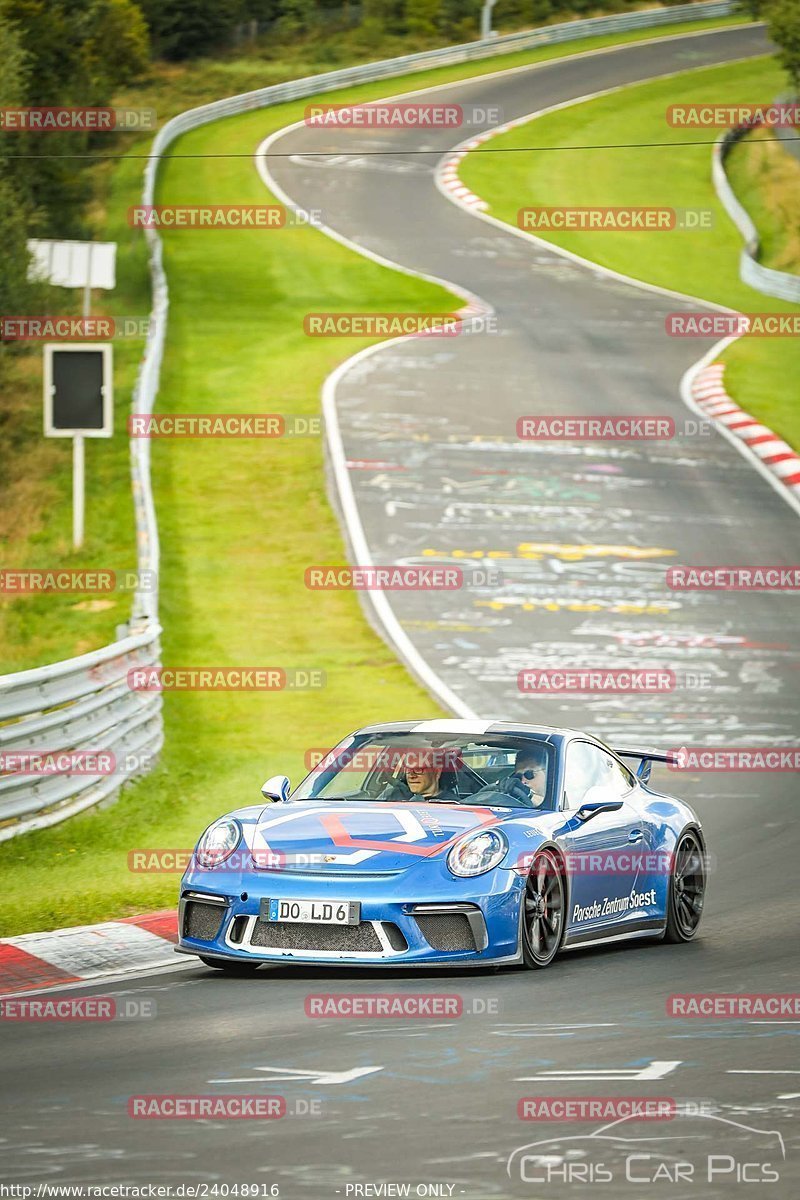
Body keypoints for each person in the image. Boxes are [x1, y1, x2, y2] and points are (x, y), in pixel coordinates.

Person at [483, 746, 549, 808]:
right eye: (518, 776)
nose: (523, 781)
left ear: (546, 772)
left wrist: (529, 795)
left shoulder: (558, 795)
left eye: (529, 774)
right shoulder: (512, 799)